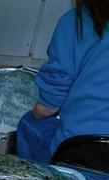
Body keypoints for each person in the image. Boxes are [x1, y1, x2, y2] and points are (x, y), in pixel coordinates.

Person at [17, 0, 109, 164]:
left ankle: (32, 176)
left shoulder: (78, 21)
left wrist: (37, 111)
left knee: (28, 123)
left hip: (76, 155)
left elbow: (45, 109)